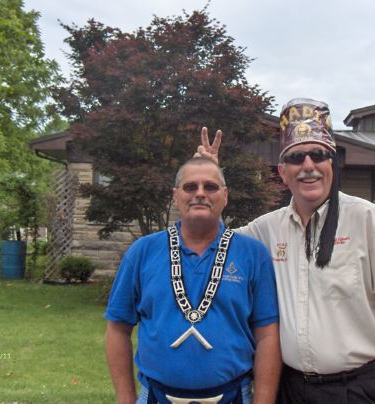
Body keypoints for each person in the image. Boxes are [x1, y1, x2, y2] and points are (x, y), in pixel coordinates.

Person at [197, 98, 375, 404]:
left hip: (359, 390)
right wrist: (209, 180)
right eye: (297, 157)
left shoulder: (368, 220)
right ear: (283, 173)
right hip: (292, 390)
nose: (308, 165)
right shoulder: (267, 230)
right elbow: (213, 245)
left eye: (318, 154)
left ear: (332, 164)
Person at [104, 157, 281, 404]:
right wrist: (125, 399)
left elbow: (267, 335)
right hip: (155, 395)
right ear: (175, 195)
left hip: (234, 395)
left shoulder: (253, 254)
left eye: (210, 187)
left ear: (225, 196)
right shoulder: (142, 252)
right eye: (190, 187)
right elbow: (117, 329)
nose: (200, 194)